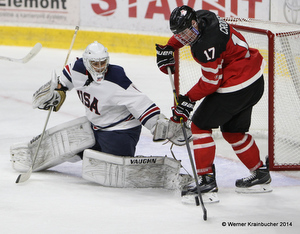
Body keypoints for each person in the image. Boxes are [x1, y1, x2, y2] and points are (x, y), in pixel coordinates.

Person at [11, 41, 192, 188]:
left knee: (109, 169)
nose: (99, 67)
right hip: (94, 126)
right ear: (87, 62)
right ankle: (30, 153)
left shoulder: (117, 79)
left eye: (103, 63)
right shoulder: (76, 68)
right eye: (95, 63)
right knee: (72, 149)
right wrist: (55, 93)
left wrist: (162, 126)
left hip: (121, 131)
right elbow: (62, 84)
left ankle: (162, 170)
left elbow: (142, 105)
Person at [155, 5, 272, 196]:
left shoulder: (206, 46)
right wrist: (170, 47)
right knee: (234, 132)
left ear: (194, 24)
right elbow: (183, 34)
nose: (184, 39)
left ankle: (206, 180)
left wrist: (188, 100)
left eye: (185, 33)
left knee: (200, 126)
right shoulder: (203, 17)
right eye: (180, 35)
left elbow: (211, 82)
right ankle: (260, 174)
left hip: (237, 85)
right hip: (254, 80)